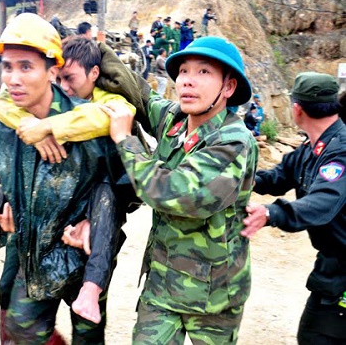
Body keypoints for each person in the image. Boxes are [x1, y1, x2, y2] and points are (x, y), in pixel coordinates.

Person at [59, 36, 258, 343]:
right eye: (183, 72)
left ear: (228, 88)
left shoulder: (233, 141)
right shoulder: (175, 120)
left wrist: (126, 139)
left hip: (214, 296)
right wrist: (98, 52)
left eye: (204, 72)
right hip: (163, 286)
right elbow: (140, 94)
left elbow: (175, 193)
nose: (188, 81)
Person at [0, 13, 133, 344]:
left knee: (88, 335)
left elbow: (127, 186)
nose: (13, 78)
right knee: (22, 330)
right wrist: (8, 209)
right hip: (32, 256)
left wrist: (98, 221)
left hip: (84, 255)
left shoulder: (95, 125)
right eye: (7, 67)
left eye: (26, 66)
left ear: (52, 71)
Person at [241, 72, 345, 345]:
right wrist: (240, 179)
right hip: (332, 268)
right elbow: (278, 177)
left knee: (317, 336)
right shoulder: (313, 146)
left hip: (342, 273)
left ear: (296, 109)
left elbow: (324, 201)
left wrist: (271, 213)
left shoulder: (341, 149)